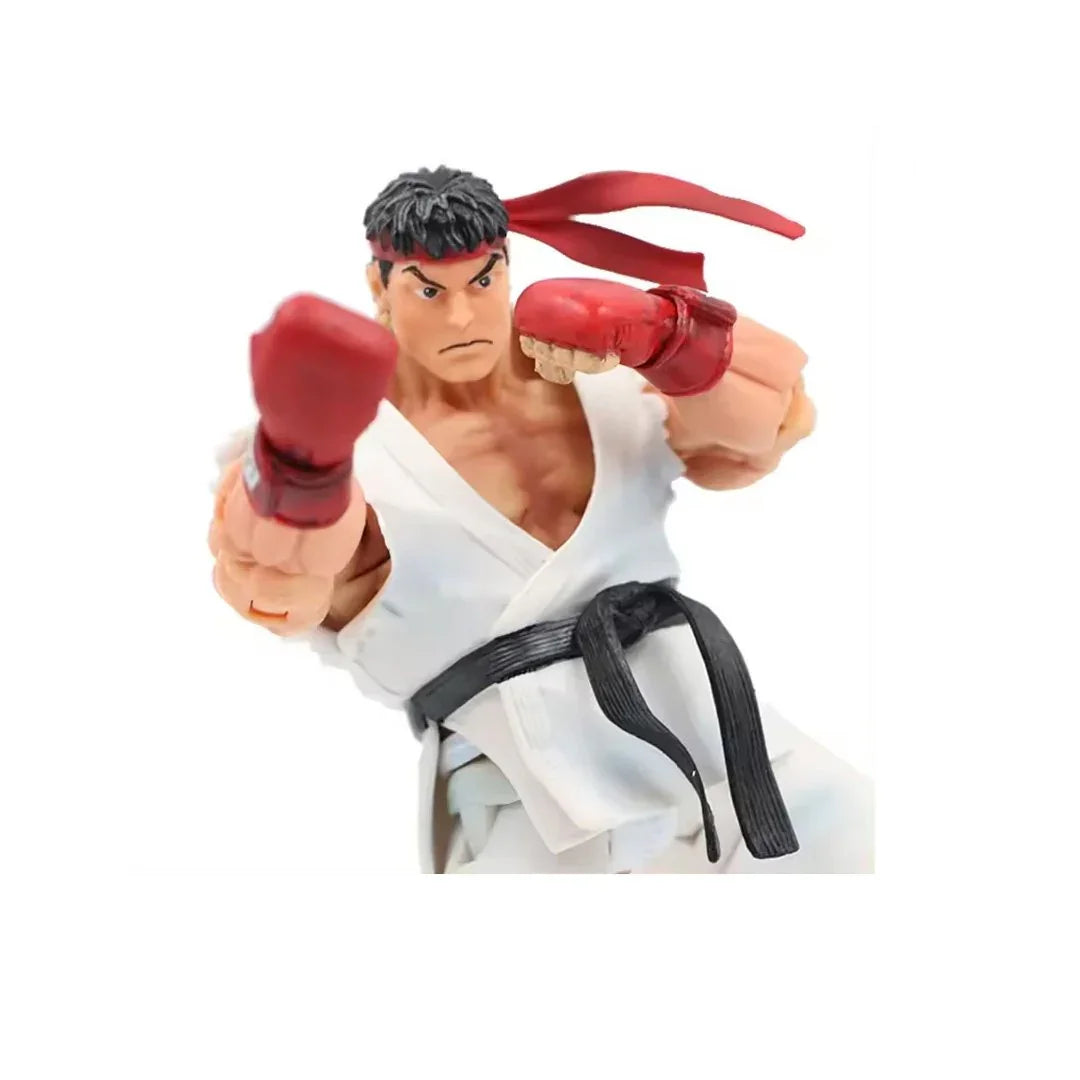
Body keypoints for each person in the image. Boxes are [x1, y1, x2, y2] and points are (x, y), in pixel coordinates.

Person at [209, 166, 874, 873]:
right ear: (380, 284)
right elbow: (274, 583)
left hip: (710, 728)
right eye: (429, 291)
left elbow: (772, 422)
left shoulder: (603, 374)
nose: (462, 318)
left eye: (482, 281)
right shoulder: (361, 451)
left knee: (848, 827)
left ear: (508, 263)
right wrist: (300, 466)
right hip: (521, 786)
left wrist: (669, 337)